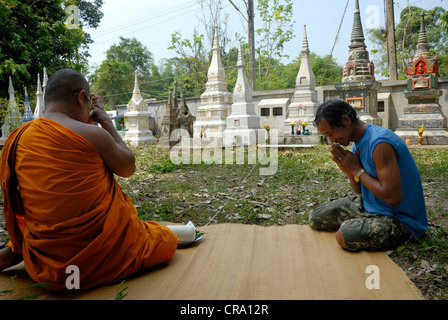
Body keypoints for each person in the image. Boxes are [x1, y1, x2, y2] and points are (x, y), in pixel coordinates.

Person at [0, 68, 178, 291]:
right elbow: (128, 167)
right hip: (99, 261)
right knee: (166, 240)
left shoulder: (19, 138)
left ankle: (14, 252)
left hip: (47, 267)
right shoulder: (93, 134)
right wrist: (104, 120)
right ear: (81, 97)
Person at [309, 100, 428, 251]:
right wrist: (349, 171)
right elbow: (359, 190)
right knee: (316, 216)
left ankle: (366, 224)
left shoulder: (380, 144)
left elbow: (393, 198)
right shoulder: (356, 142)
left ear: (345, 120)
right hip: (371, 206)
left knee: (344, 236)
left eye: (331, 134)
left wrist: (356, 170)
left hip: (400, 219)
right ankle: (364, 220)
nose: (332, 141)